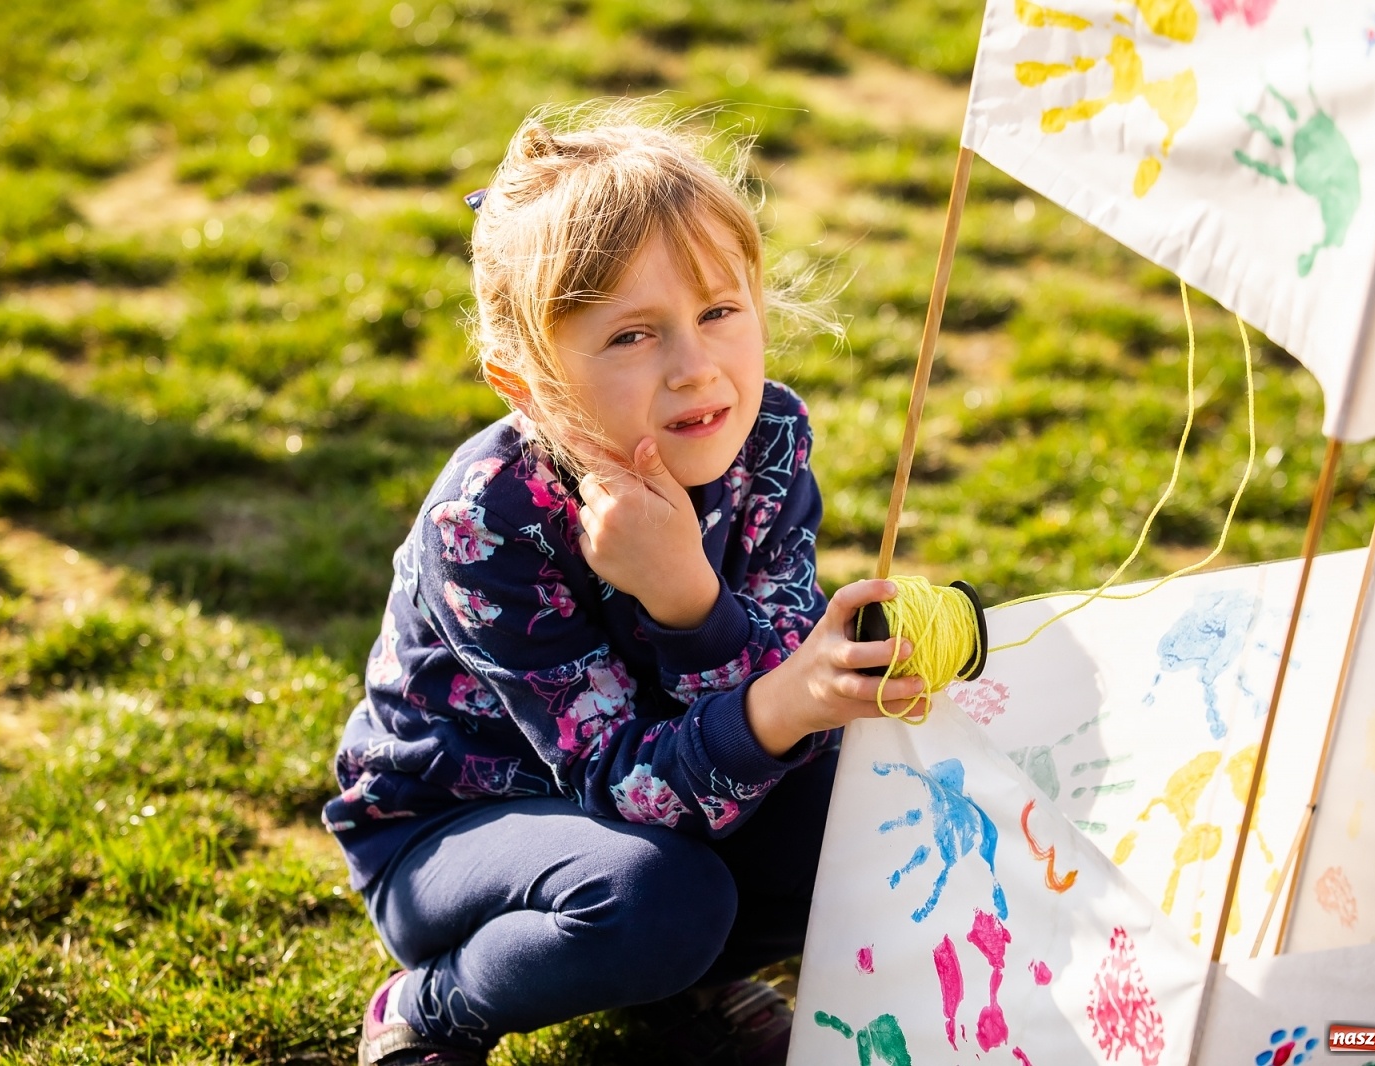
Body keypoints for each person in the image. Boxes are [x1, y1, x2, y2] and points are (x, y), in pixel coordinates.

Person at [324, 100, 928, 1066]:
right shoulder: (487, 519)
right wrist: (704, 619)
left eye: (719, 312)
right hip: (461, 836)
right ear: (526, 384)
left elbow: (776, 675)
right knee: (659, 901)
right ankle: (429, 1006)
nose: (696, 370)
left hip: (674, 808)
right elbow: (622, 783)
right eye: (633, 336)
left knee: (873, 797)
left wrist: (727, 630)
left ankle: (686, 981)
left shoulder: (767, 441)